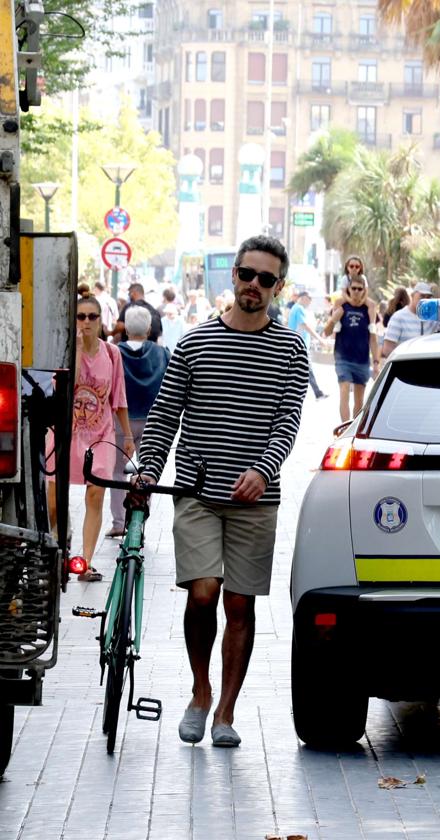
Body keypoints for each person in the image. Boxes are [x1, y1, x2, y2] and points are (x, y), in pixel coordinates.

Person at [137, 234, 308, 748]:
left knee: (239, 604)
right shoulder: (194, 342)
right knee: (203, 592)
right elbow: (165, 415)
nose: (254, 285)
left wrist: (263, 469)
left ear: (278, 287)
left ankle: (227, 712)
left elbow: (288, 420)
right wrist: (148, 471)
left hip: (257, 498)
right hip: (196, 490)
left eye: (266, 279)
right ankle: (199, 691)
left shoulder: (291, 348)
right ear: (233, 276)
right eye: (246, 275)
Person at [46, 296, 134, 582]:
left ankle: (85, 562)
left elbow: (118, 397)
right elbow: (60, 386)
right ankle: (53, 553)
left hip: (101, 434)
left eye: (91, 316)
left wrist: (128, 436)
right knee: (53, 501)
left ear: (101, 320)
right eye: (80, 316)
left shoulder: (112, 354)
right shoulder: (67, 349)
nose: (86, 322)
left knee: (95, 494)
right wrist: (78, 348)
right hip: (65, 432)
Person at [105, 306, 171, 539]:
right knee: (148, 472)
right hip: (153, 421)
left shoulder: (114, 352)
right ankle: (140, 519)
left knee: (115, 472)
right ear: (149, 328)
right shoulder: (162, 353)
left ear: (125, 328)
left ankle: (119, 522)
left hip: (121, 420)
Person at [323, 275, 378, 423]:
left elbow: (373, 337)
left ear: (364, 290)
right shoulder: (341, 306)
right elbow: (327, 332)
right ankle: (345, 428)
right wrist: (334, 318)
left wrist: (377, 361)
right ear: (348, 289)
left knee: (359, 400)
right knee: (344, 390)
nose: (356, 291)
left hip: (362, 360)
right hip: (343, 358)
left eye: (360, 289)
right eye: (353, 288)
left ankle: (354, 429)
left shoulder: (369, 308)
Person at [288, 290, 328, 400]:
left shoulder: (295, 308)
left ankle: (317, 393)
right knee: (307, 369)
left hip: (296, 345)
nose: (310, 302)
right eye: (309, 299)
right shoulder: (299, 308)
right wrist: (319, 339)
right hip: (300, 346)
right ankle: (318, 393)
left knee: (301, 370)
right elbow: (304, 325)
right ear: (304, 297)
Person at [380, 281, 438, 358]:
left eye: (428, 297)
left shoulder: (433, 319)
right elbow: (387, 349)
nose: (425, 300)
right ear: (412, 296)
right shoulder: (399, 317)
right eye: (422, 296)